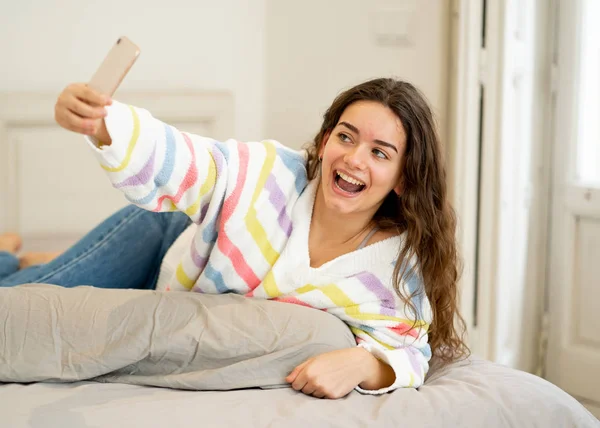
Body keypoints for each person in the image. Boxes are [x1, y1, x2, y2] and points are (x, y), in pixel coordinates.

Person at [0, 78, 468, 399]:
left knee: (48, 280)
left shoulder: (392, 270)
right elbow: (190, 161)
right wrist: (102, 124)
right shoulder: (268, 174)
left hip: (175, 294)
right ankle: (12, 257)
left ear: (403, 178)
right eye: (346, 137)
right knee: (24, 296)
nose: (354, 159)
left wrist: (366, 366)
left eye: (379, 152)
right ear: (324, 142)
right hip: (165, 235)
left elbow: (410, 349)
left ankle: (20, 253)